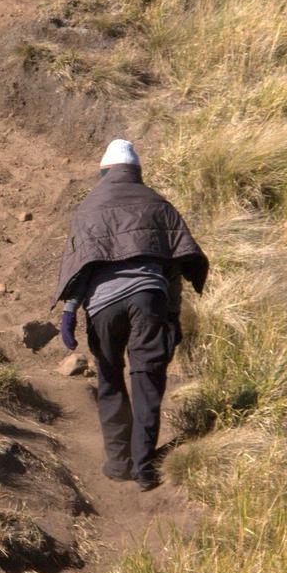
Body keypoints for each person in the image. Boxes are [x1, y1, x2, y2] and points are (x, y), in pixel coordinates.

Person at [53, 139, 207, 491]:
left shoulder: (89, 207)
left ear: (104, 172)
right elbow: (173, 267)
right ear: (136, 172)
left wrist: (69, 312)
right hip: (148, 298)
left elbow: (81, 266)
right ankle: (143, 467)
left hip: (103, 306)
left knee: (109, 377)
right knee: (147, 379)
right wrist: (171, 314)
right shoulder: (156, 203)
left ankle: (117, 462)